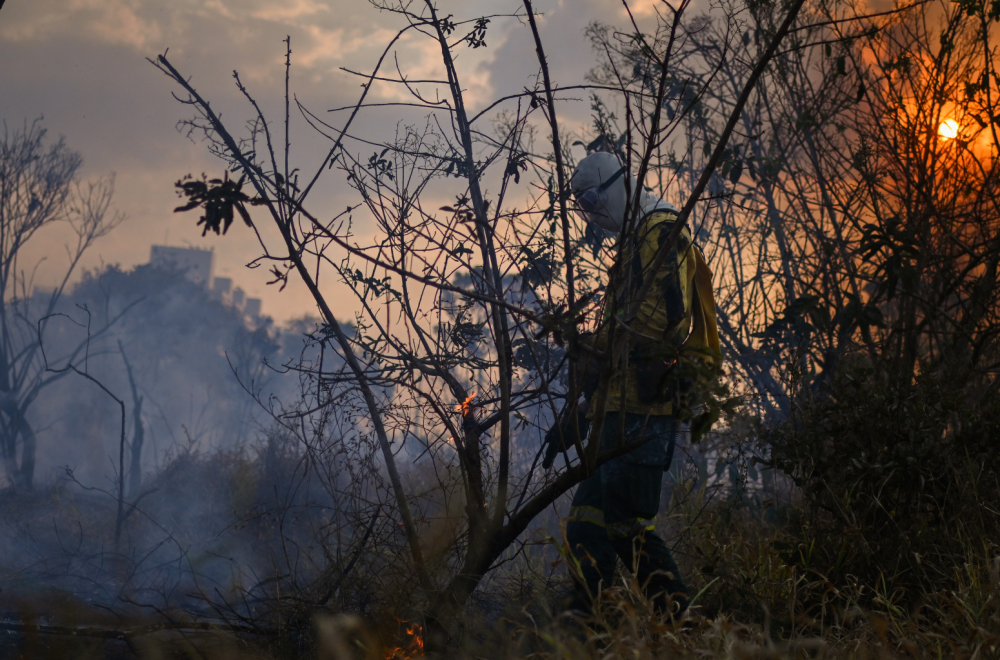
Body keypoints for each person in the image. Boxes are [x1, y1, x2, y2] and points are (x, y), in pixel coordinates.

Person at [559, 151, 720, 620]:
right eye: (581, 205)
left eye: (591, 199)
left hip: (643, 411)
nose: (589, 212)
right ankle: (591, 633)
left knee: (628, 529)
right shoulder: (635, 238)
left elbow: (657, 320)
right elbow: (625, 326)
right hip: (618, 407)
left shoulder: (659, 230)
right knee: (586, 528)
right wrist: (586, 405)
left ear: (617, 185)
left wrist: (597, 347)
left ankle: (686, 633)